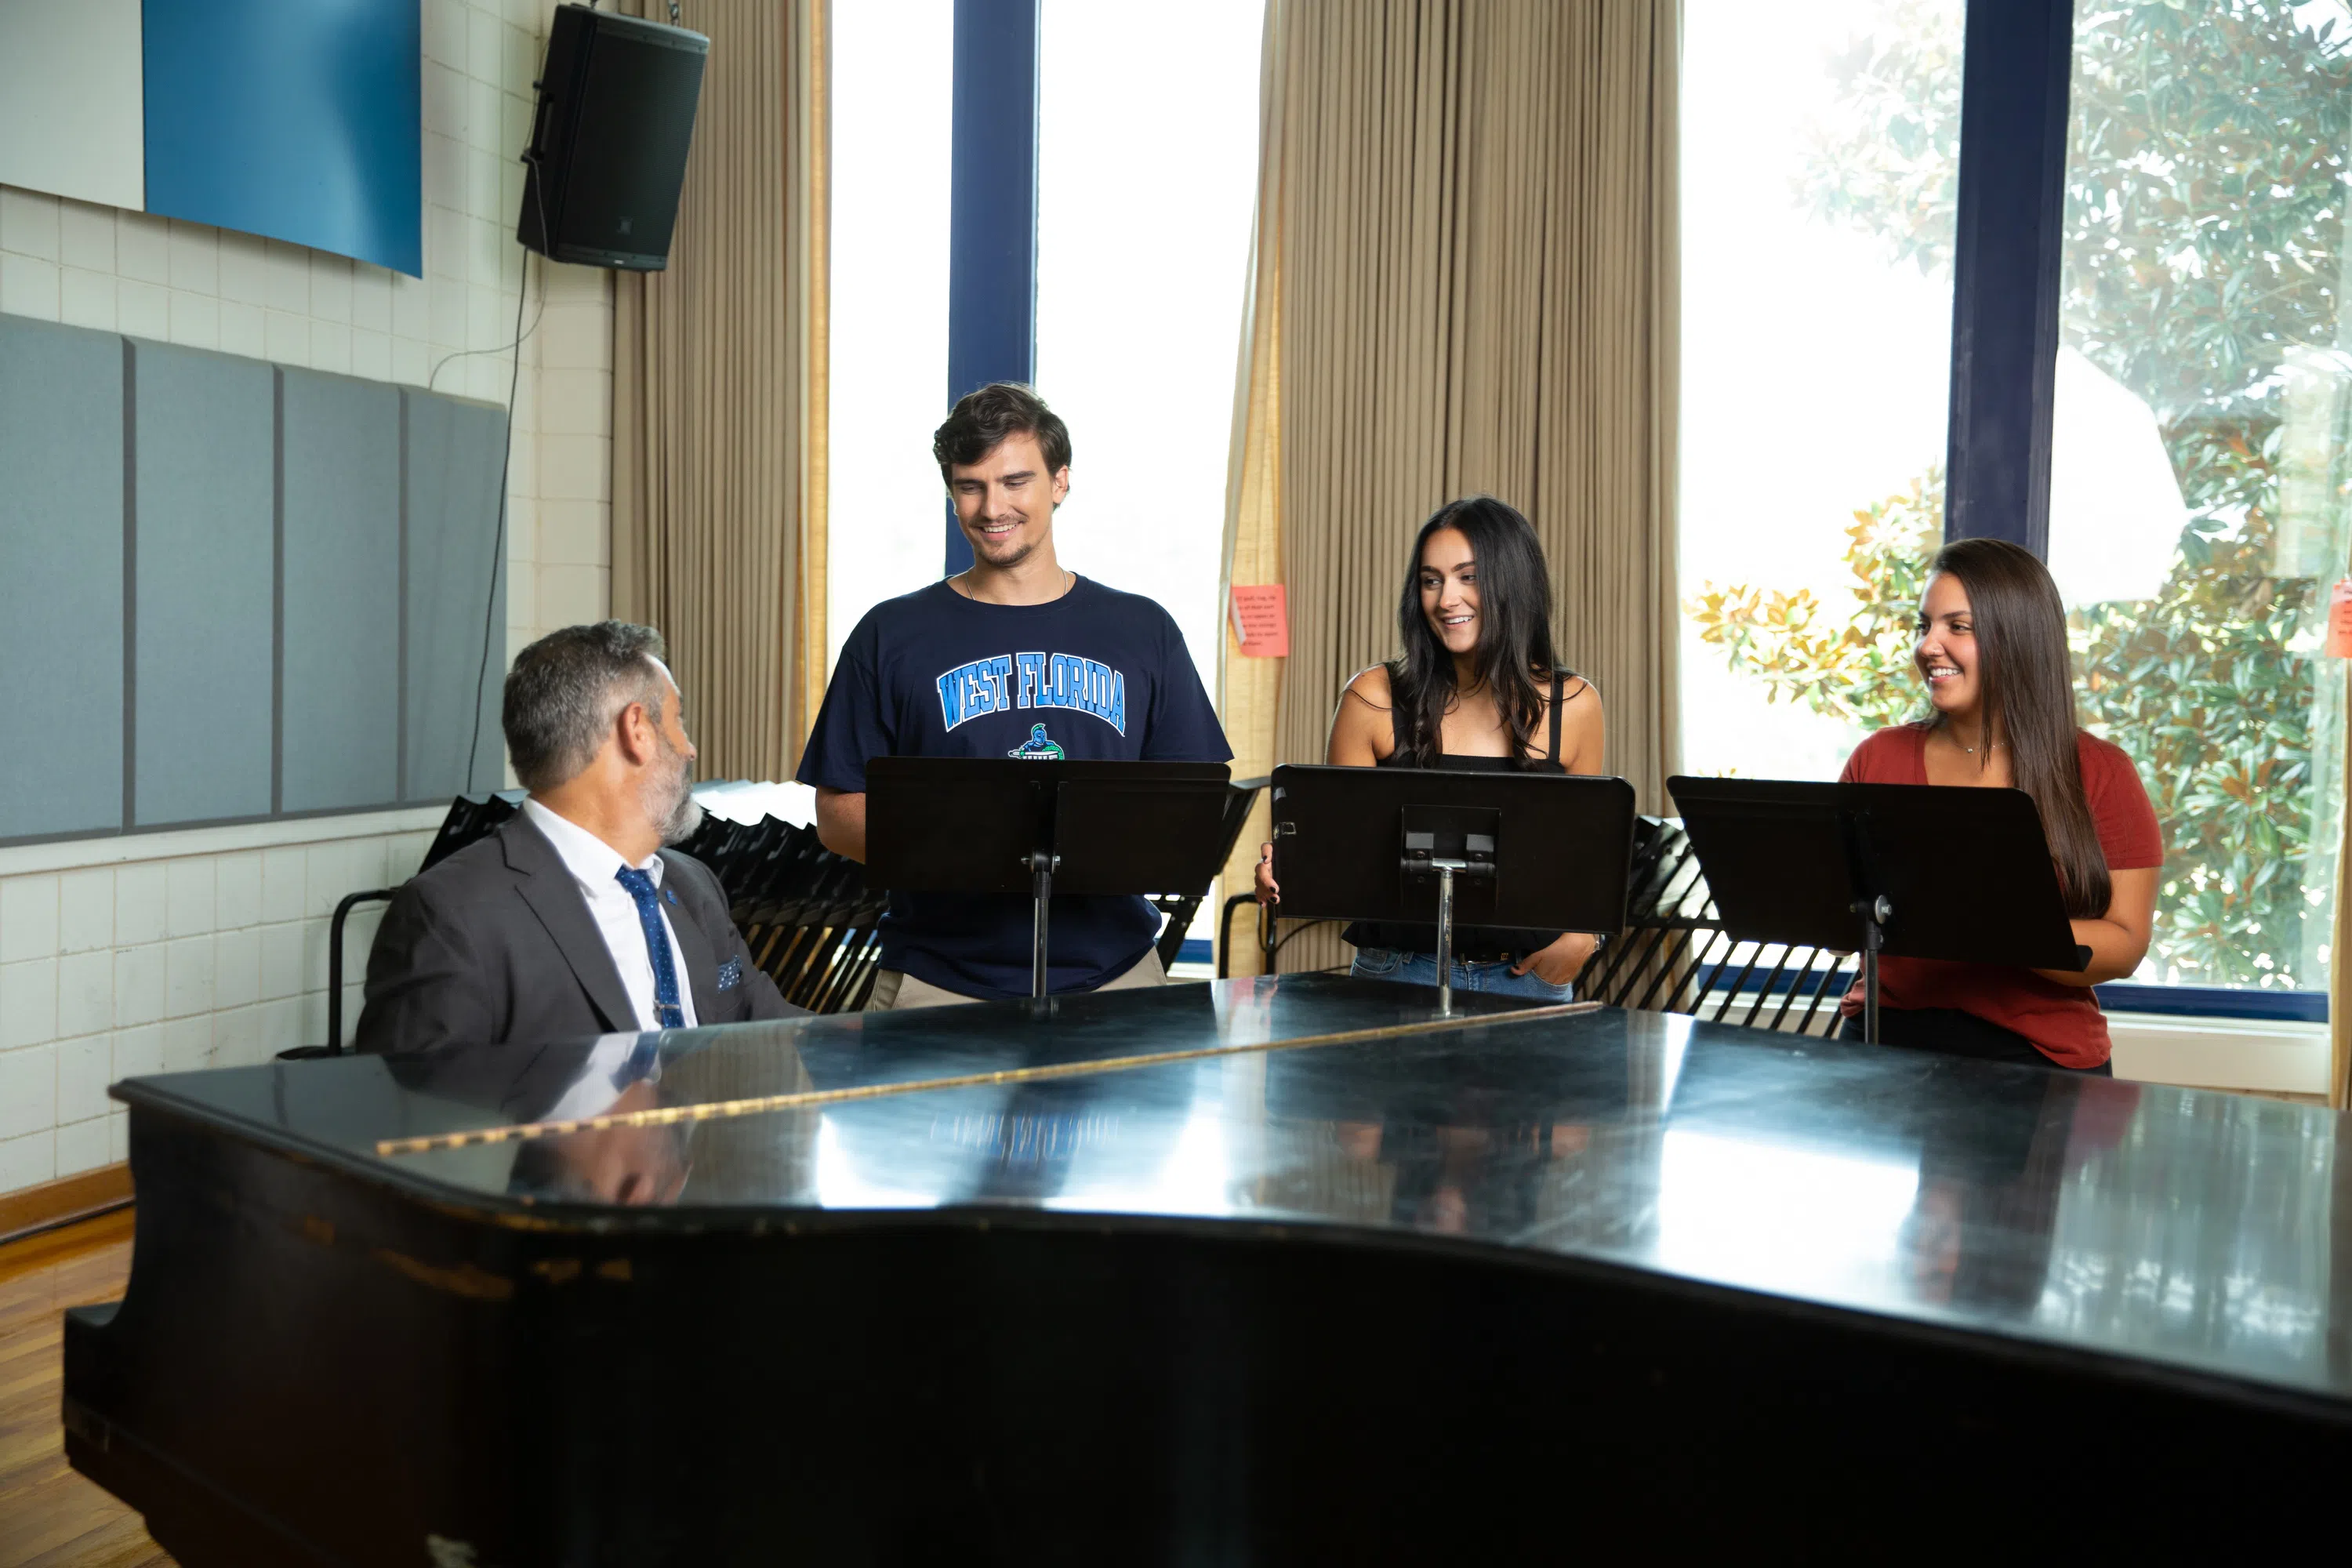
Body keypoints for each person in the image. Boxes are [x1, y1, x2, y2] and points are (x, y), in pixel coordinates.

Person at [797, 382, 1232, 1007]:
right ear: (951, 493)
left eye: (1015, 482)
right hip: (938, 977)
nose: (991, 507)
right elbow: (838, 817)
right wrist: (988, 845)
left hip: (1114, 971)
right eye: (970, 486)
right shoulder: (888, 634)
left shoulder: (1144, 630)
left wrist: (1082, 845)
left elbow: (1196, 806)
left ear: (1060, 481)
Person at [356, 622, 797, 1056]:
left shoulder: (691, 884)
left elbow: (774, 1028)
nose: (689, 749)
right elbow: (416, 1114)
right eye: (678, 721)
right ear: (637, 730)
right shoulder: (449, 915)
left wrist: (864, 1041)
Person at [1254, 496, 1605, 1000]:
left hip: (1527, 979)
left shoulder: (1574, 705)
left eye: (1469, 577)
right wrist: (1288, 868)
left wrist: (1580, 940)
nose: (1446, 600)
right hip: (1396, 970)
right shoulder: (1373, 697)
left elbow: (1583, 859)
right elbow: (1337, 851)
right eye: (1431, 580)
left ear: (1514, 584)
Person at [1836, 537, 2161, 1073]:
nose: (1927, 646)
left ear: (2018, 640)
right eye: (1925, 626)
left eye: (1957, 628)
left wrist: (1989, 923)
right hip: (1882, 1038)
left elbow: (2125, 944)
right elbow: (1838, 930)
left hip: (2034, 1058)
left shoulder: (2102, 772)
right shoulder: (1877, 757)